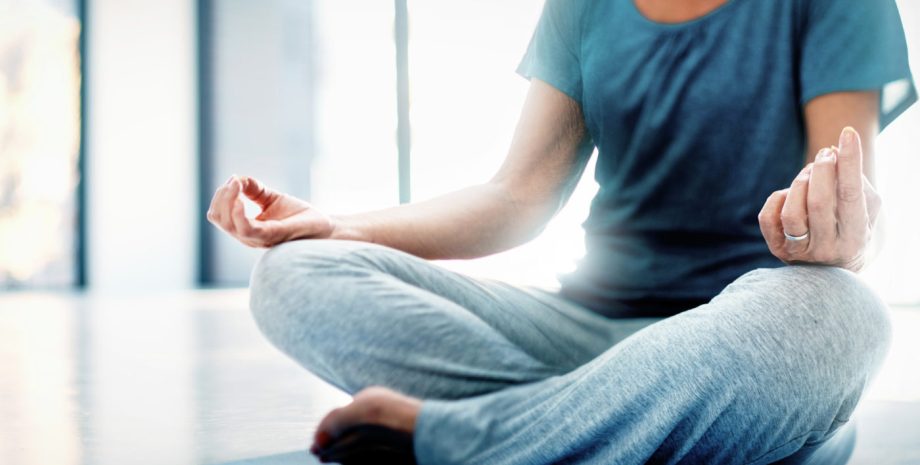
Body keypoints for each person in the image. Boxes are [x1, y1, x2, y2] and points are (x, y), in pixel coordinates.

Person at [207, 0, 917, 463]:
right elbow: (517, 195)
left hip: (743, 330)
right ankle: (630, 424)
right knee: (294, 273)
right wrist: (338, 226)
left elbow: (854, 204)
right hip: (582, 332)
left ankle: (463, 436)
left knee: (844, 311)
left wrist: (838, 240)